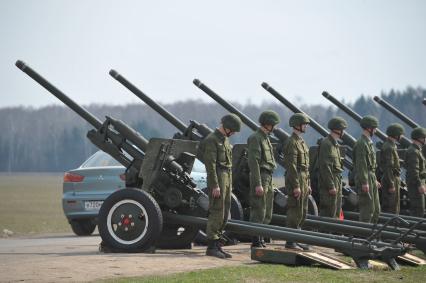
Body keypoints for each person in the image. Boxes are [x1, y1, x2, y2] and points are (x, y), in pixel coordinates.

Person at [200, 113, 242, 259]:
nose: (234, 133)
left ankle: (218, 245)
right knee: (217, 211)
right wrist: (215, 185)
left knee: (225, 212)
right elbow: (210, 165)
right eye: (234, 130)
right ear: (227, 127)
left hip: (226, 177)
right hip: (217, 178)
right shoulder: (212, 140)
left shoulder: (223, 140)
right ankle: (211, 246)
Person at [247, 110, 280, 248]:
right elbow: (253, 162)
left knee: (267, 210)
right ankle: (256, 240)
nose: (275, 128)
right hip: (261, 176)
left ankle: (261, 237)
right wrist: (258, 184)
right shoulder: (256, 138)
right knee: (259, 209)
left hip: (268, 176)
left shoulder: (265, 138)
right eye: (274, 125)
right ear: (268, 124)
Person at [283, 113, 311, 249]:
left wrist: (308, 184)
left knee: (303, 211)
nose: (306, 126)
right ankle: (290, 241)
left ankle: (297, 239)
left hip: (304, 178)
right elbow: (292, 166)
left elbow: (307, 166)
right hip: (297, 178)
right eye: (304, 124)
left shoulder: (301, 142)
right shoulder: (291, 142)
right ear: (297, 125)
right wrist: (296, 186)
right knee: (295, 210)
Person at [353, 115, 381, 223]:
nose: (376, 130)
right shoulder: (361, 143)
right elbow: (361, 165)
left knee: (376, 210)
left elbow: (370, 166)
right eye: (374, 128)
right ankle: (364, 237)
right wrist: (365, 182)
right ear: (369, 128)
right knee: (367, 211)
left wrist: (374, 180)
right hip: (365, 177)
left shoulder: (368, 142)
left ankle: (372, 235)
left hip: (371, 176)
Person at [318, 117, 347, 218]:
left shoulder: (335, 145)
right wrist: (331, 186)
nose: (344, 132)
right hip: (330, 183)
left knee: (336, 213)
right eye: (343, 129)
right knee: (329, 214)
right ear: (338, 130)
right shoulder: (327, 144)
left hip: (336, 181)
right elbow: (325, 167)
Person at [380, 123, 404, 214]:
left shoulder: (392, 146)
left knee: (395, 207)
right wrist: (391, 184)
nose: (401, 136)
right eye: (400, 134)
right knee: (390, 208)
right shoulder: (389, 147)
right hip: (390, 179)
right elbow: (388, 168)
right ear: (396, 134)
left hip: (394, 178)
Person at [405, 127, 426, 217]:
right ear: (420, 138)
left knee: (419, 208)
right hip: (415, 185)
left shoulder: (416, 150)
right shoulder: (414, 151)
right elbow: (414, 171)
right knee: (418, 209)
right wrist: (419, 185)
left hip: (416, 184)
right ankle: (415, 230)